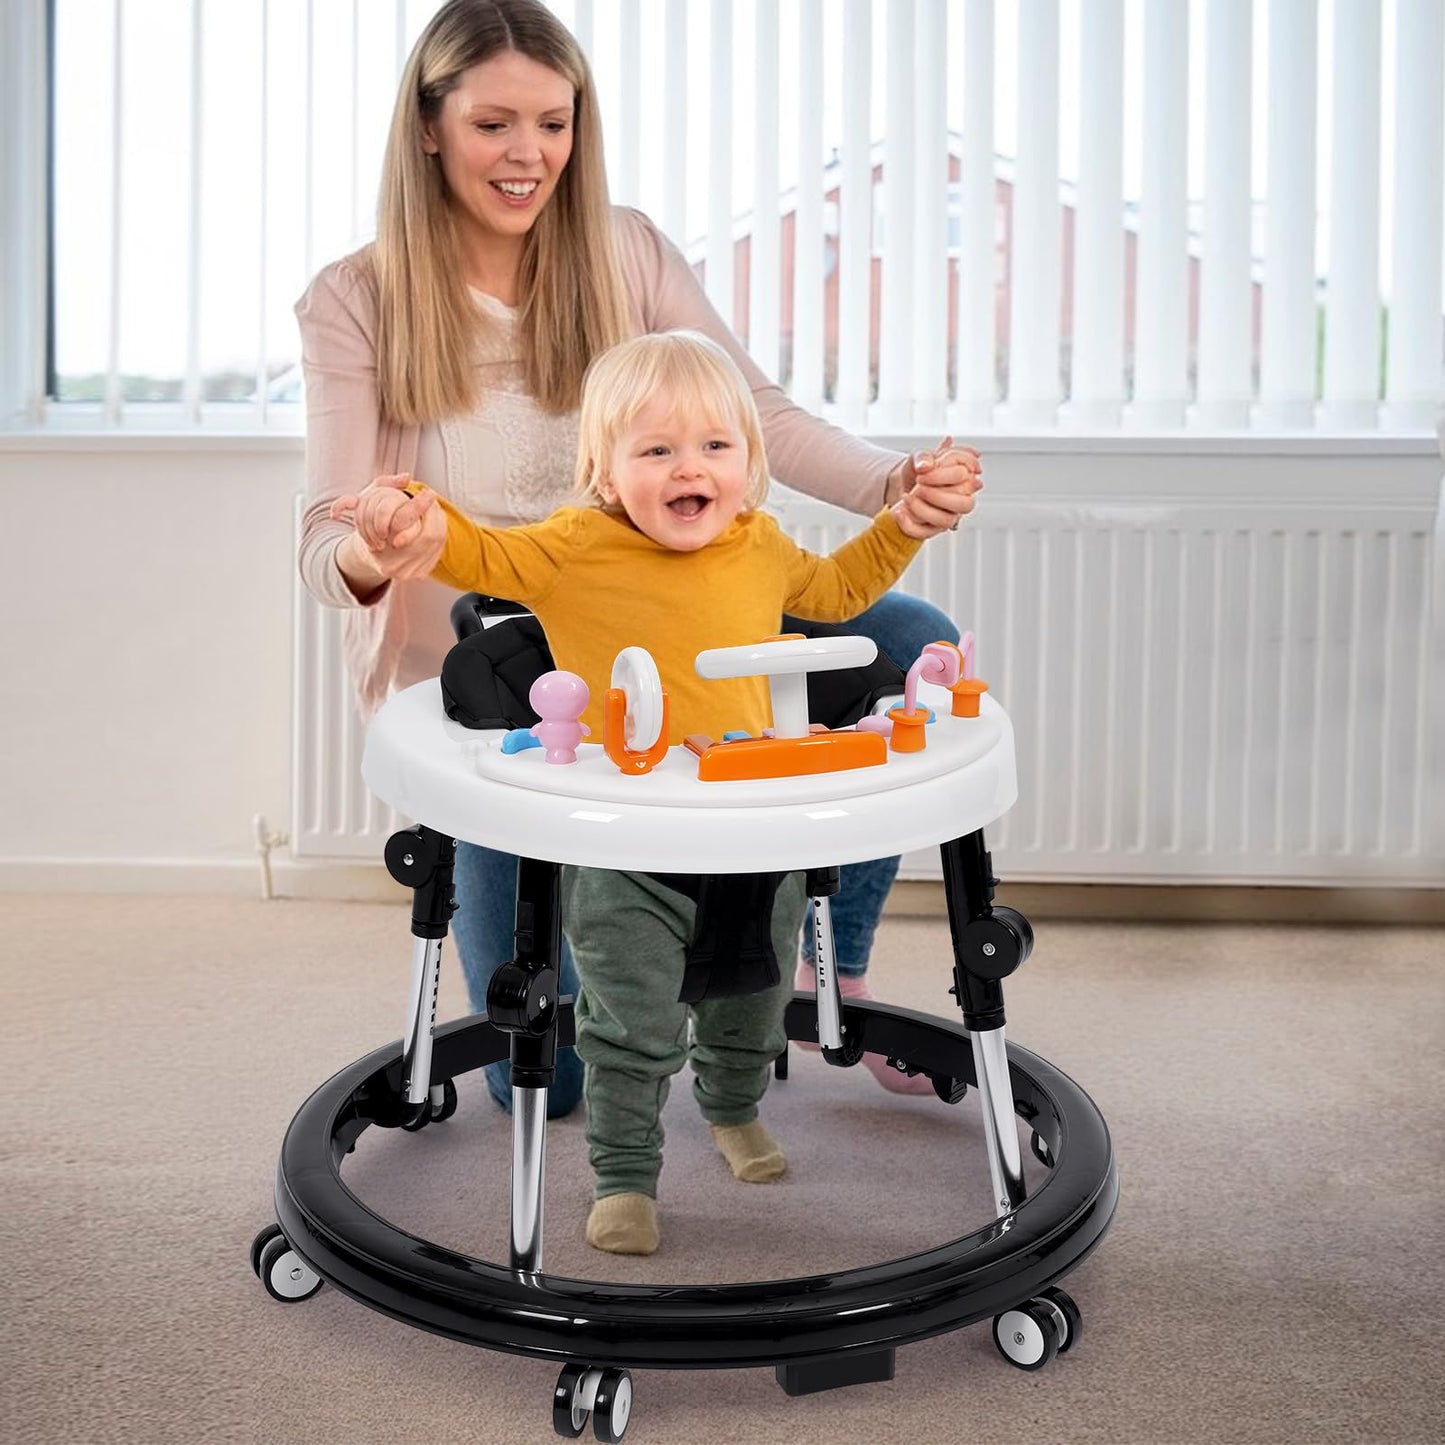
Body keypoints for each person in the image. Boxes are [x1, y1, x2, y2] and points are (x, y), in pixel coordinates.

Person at [294, 0, 984, 1120]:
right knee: (550, 1084)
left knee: (911, 640)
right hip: (505, 673)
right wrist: (376, 545)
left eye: (553, 124)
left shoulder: (625, 249)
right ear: (428, 126)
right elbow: (323, 539)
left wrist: (892, 484)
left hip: (682, 616)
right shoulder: (356, 297)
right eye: (492, 124)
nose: (528, 156)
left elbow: (752, 413)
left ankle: (825, 962)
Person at [329, 329, 978, 1254]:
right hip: (627, 840)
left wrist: (903, 522)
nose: (692, 468)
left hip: (750, 829)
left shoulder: (758, 543)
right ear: (604, 468)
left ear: (749, 463)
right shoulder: (573, 546)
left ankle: (732, 1107)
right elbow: (482, 557)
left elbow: (836, 592)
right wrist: (422, 525)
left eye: (716, 446)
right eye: (657, 449)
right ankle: (626, 1175)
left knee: (749, 1000)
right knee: (626, 1023)